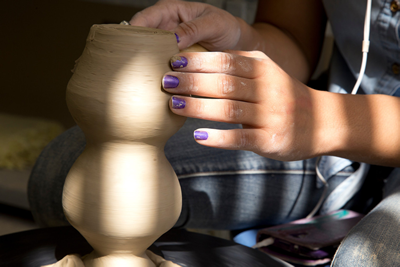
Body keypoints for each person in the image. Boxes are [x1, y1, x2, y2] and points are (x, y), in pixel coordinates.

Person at [29, 0, 400, 265]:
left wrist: (323, 119)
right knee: (62, 174)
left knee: (365, 259)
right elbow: (293, 38)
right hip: (335, 124)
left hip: (337, 119)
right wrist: (241, 39)